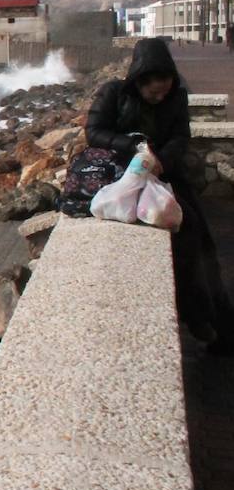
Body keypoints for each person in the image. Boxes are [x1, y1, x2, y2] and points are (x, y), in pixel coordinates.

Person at [86, 37, 233, 354]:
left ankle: (211, 322)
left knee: (194, 237)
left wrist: (161, 161)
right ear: (138, 81)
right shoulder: (114, 93)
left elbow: (181, 136)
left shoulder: (176, 97)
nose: (160, 95)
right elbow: (94, 132)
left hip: (164, 176)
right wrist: (134, 148)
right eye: (153, 90)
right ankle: (195, 318)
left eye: (164, 88)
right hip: (123, 177)